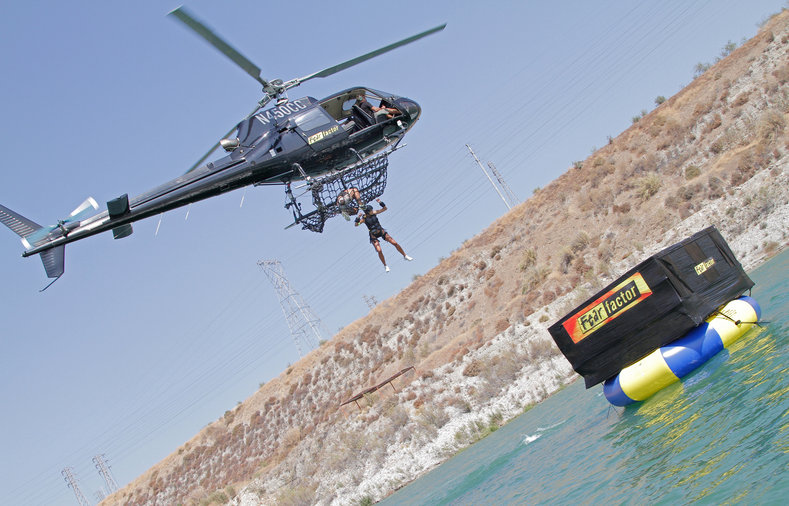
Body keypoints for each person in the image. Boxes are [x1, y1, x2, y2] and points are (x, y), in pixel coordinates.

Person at [355, 199, 413, 272]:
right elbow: (357, 224)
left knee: (394, 243)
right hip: (373, 235)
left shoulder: (374, 213)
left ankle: (405, 255)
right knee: (379, 250)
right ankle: (385, 265)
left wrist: (380, 202)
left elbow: (385, 208)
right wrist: (358, 217)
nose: (372, 211)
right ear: (367, 212)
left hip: (381, 231)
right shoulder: (364, 219)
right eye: (371, 210)